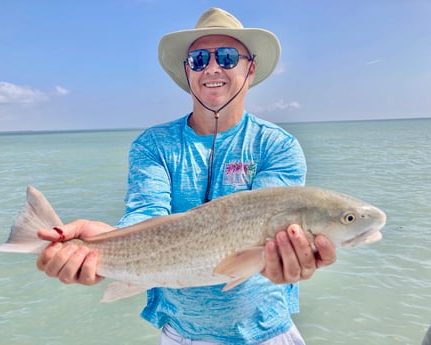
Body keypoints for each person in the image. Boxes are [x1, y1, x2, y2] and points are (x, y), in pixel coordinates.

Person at [36, 8, 336, 345]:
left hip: (268, 332)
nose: (211, 67)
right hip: (181, 334)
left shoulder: (277, 146)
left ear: (250, 68)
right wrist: (100, 245)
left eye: (226, 56)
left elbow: (269, 229)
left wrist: (288, 257)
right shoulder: (153, 145)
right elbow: (146, 216)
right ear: (187, 70)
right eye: (198, 59)